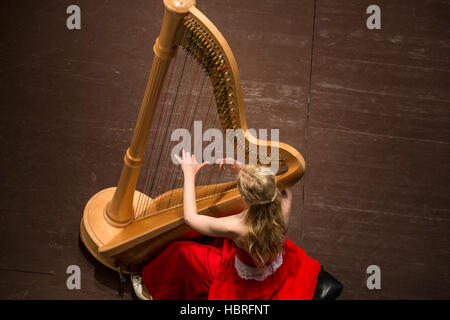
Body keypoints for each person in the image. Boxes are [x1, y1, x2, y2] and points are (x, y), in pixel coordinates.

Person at [131, 150, 324, 300]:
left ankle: (147, 286)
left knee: (181, 252)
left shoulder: (237, 226)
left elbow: (191, 218)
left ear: (247, 199)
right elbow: (275, 185)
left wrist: (189, 174)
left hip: (242, 279)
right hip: (275, 265)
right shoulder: (284, 205)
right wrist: (245, 170)